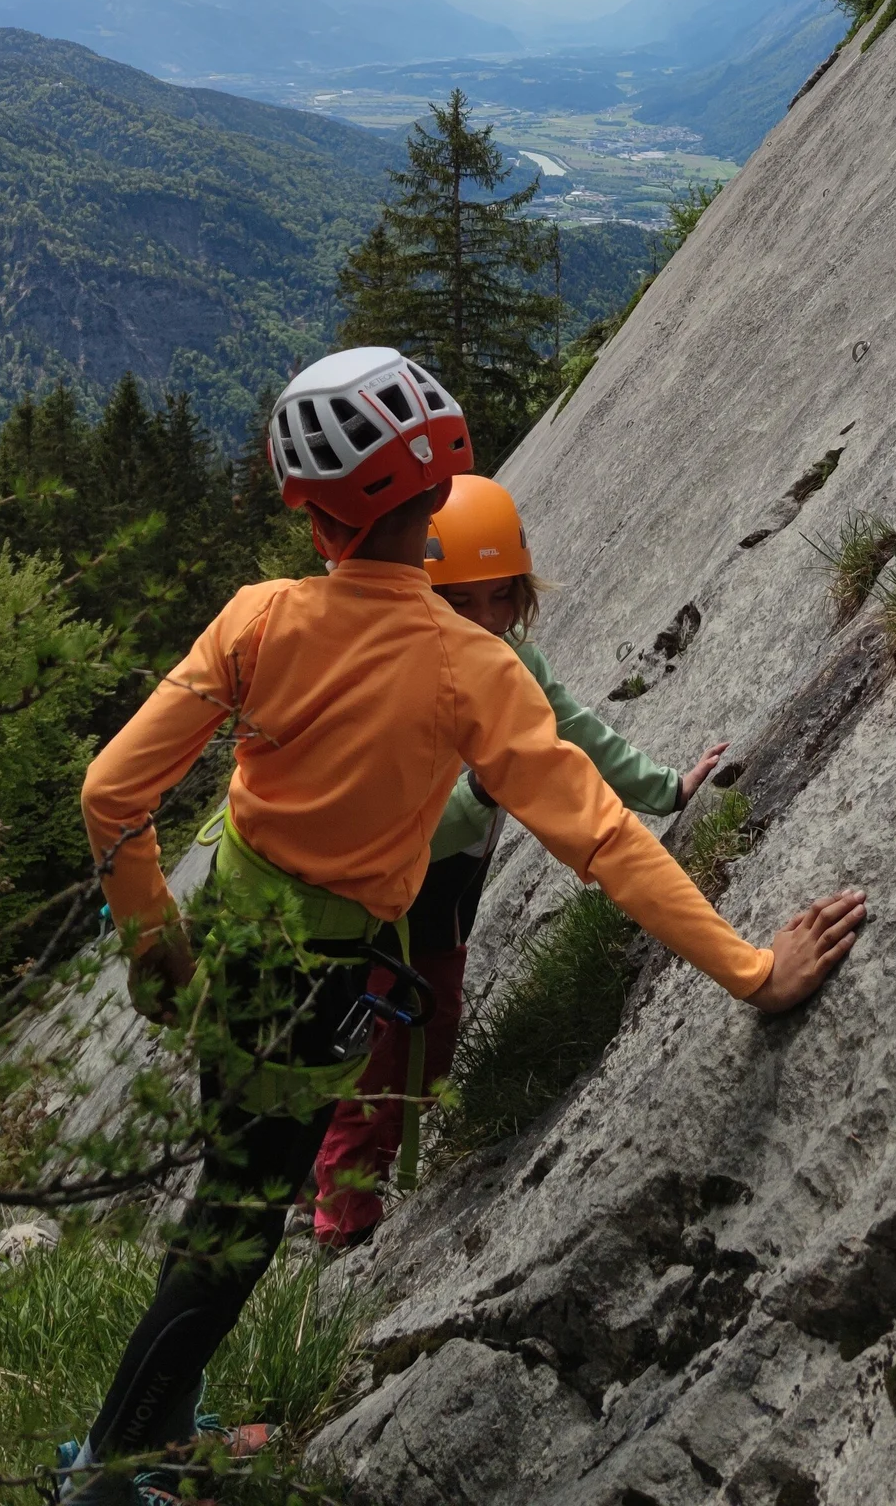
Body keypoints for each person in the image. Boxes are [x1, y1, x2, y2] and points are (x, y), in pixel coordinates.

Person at [63, 347, 865, 1504]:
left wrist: (154, 950)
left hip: (228, 945)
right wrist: (751, 969)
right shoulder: (468, 664)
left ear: (313, 510)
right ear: (441, 492)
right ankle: (111, 1471)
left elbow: (109, 796)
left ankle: (154, 1427)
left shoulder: (257, 621)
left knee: (233, 1202)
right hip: (322, 979)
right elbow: (602, 837)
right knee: (232, 1231)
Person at [311, 473, 729, 1250]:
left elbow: (577, 734)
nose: (487, 618)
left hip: (445, 912)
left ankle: (399, 1156)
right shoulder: (402, 682)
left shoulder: (516, 667)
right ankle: (341, 1215)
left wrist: (667, 788)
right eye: (461, 602)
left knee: (432, 1043)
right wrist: (481, 788)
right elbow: (403, 826)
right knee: (371, 1069)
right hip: (376, 915)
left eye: (500, 597)